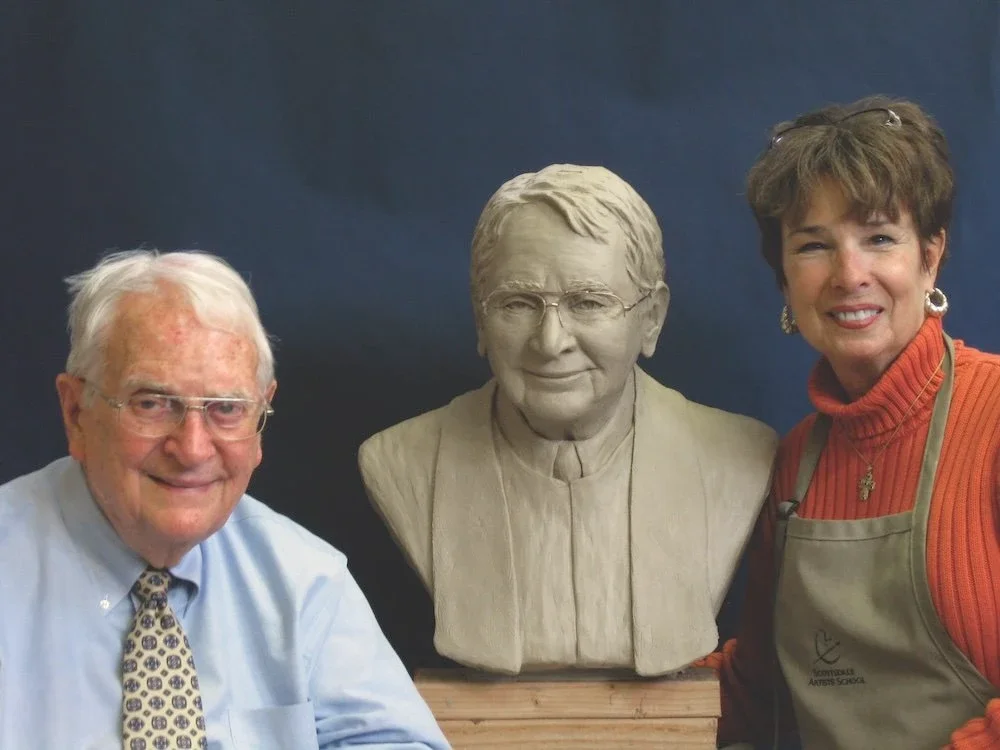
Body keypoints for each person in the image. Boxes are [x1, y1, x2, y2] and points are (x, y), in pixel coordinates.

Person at [0, 250, 450, 749]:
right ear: (76, 412)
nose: (192, 448)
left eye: (227, 409)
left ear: (260, 419)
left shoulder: (304, 583)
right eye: (152, 403)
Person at [358, 164, 778, 675]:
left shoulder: (737, 458)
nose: (550, 341)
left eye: (589, 302)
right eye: (517, 303)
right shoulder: (402, 459)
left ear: (651, 319)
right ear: (479, 318)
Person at [705, 96, 1000, 749]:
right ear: (784, 283)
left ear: (931, 257)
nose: (848, 275)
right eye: (813, 245)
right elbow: (753, 693)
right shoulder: (792, 466)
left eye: (879, 238)